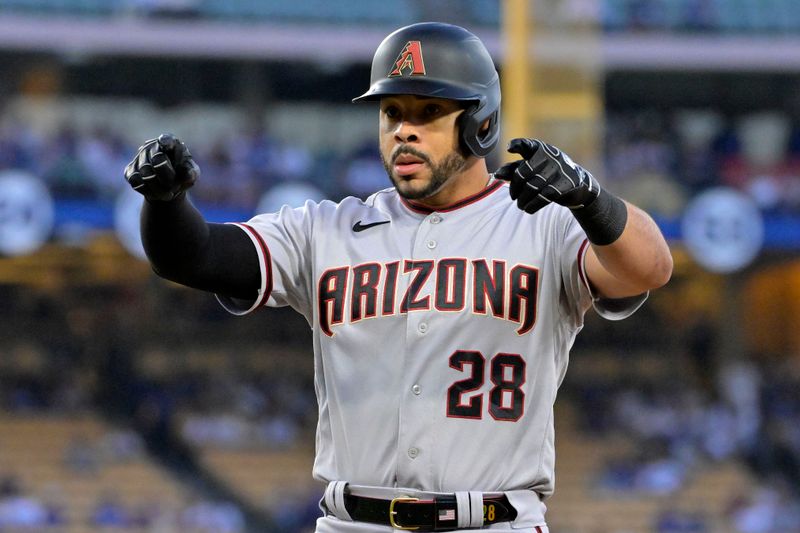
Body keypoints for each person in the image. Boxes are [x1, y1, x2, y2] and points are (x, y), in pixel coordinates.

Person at [124, 22, 672, 533]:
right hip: (353, 521)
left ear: (481, 122)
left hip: (494, 521)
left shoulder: (543, 224)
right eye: (392, 113)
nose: (404, 130)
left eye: (429, 111)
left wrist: (590, 199)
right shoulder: (328, 230)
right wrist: (166, 201)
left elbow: (650, 267)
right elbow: (191, 257)